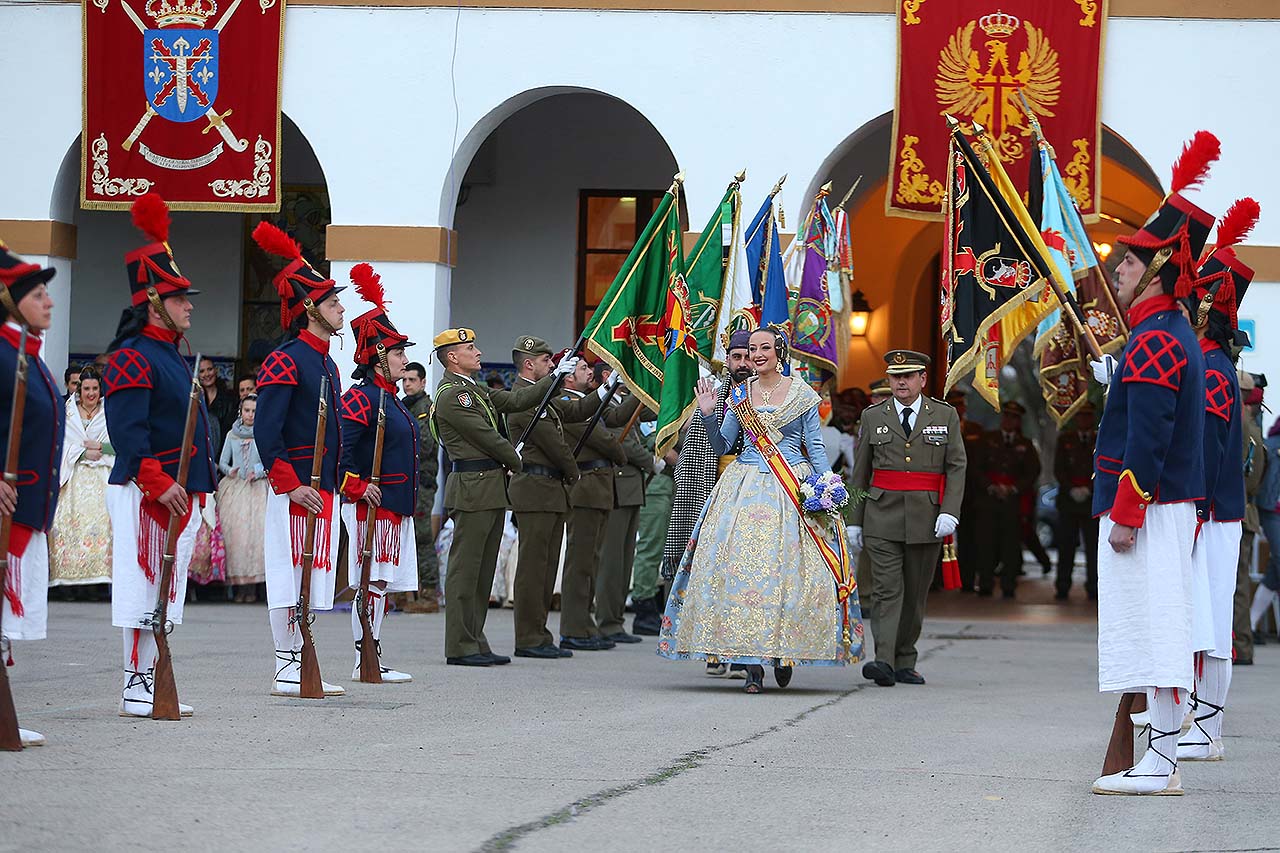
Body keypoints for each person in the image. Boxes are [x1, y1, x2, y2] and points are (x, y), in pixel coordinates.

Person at [1087, 133, 1216, 796]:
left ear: (1161, 270)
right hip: (1165, 505)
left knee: (1157, 628)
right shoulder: (1163, 335)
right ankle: (1157, 757)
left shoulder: (1157, 338)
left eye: (1129, 266)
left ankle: (1160, 762)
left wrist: (1127, 512)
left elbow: (1150, 435)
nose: (1117, 273)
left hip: (1150, 506)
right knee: (1161, 625)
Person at [659, 326, 864, 694]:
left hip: (790, 486)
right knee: (743, 572)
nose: (757, 355)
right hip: (744, 484)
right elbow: (723, 443)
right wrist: (707, 413)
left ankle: (784, 654)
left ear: (779, 351)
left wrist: (829, 486)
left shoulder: (802, 394)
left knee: (787, 573)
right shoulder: (739, 394)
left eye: (764, 348)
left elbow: (814, 447)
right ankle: (751, 665)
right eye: (752, 348)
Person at [102, 193, 216, 718]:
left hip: (177, 489)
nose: (189, 304)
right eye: (178, 297)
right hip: (148, 489)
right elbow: (128, 432)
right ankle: (136, 684)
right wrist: (157, 481)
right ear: (153, 301)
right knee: (142, 586)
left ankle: (151, 676)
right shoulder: (131, 356)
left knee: (165, 591)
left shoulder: (172, 355)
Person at [1176, 199, 1258, 763]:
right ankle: (1202, 724)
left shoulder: (1207, 364)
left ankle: (1204, 728)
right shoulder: (1207, 361)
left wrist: (1195, 509)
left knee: (1202, 615)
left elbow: (1204, 445)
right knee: (1203, 612)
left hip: (1207, 509)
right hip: (1214, 507)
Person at [251, 220, 347, 698]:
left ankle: (302, 659)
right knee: (290, 576)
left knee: (314, 577)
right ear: (309, 309)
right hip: (295, 490)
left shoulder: (327, 361)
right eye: (332, 302)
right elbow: (267, 431)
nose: (341, 308)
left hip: (320, 488)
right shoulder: (285, 359)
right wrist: (290, 484)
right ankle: (287, 665)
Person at [429, 328, 565, 666]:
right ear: (451, 357)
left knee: (483, 571)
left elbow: (518, 401)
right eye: (470, 348)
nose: (477, 352)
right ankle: (460, 644)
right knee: (466, 571)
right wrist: (516, 459)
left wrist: (555, 377)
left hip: (488, 486)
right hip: (473, 486)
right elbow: (486, 436)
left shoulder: (475, 391)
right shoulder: (451, 395)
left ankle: (475, 639)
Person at [849, 350, 965, 687]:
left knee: (915, 593)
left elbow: (956, 466)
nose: (902, 381)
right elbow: (861, 472)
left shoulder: (945, 415)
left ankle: (904, 660)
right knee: (887, 590)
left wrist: (950, 511)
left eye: (909, 376)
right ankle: (883, 660)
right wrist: (855, 519)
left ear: (922, 379)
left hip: (927, 516)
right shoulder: (872, 416)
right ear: (889, 380)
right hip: (881, 516)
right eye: (896, 376)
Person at [505, 336, 615, 659]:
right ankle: (528, 636)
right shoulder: (523, 399)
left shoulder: (546, 398)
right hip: (535, 489)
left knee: (546, 568)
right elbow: (555, 445)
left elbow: (578, 409)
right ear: (529, 364)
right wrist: (575, 473)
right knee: (533, 570)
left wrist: (609, 387)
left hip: (551, 491)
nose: (552, 365)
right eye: (545, 361)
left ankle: (539, 633)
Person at [337, 262, 419, 683]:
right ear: (377, 358)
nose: (405, 359)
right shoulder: (361, 398)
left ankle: (371, 654)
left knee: (381, 584)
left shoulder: (393, 398)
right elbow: (342, 452)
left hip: (394, 505)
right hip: (373, 505)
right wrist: (356, 485)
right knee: (370, 581)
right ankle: (364, 657)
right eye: (398, 352)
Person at [0, 240, 67, 746]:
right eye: (39, 293)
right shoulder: (5, 356)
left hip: (26, 509)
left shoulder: (30, 357)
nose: (48, 301)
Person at [662, 329, 753, 677]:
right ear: (726, 360)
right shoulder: (711, 394)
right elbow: (697, 453)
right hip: (714, 498)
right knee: (714, 576)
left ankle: (746, 651)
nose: (743, 364)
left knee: (746, 577)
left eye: (748, 357)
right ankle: (714, 649)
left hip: (754, 499)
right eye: (736, 357)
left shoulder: (767, 394)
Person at [558, 358, 639, 652]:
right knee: (580, 562)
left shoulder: (585, 401)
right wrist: (621, 454)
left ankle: (585, 624)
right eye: (581, 369)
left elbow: (616, 418)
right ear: (567, 378)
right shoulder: (568, 402)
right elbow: (602, 438)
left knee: (591, 561)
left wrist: (635, 388)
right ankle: (573, 628)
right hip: (586, 487)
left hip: (599, 487)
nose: (587, 372)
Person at [595, 373, 654, 646]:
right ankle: (607, 621)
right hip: (618, 488)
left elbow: (652, 410)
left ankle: (616, 619)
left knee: (624, 559)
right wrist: (654, 463)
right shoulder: (605, 402)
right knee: (612, 561)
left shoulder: (621, 401)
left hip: (631, 489)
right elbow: (626, 444)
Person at [49, 365, 114, 590]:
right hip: (73, 476)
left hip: (102, 474)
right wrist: (83, 453)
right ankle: (70, 585)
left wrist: (102, 447)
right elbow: (61, 443)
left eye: (95, 388)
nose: (91, 393)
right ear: (78, 390)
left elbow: (122, 444)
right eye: (86, 388)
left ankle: (99, 584)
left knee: (106, 521)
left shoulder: (110, 412)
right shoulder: (67, 412)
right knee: (64, 522)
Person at [974, 401, 1039, 598]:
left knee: (1011, 546)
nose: (1009, 420)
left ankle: (1008, 584)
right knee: (986, 544)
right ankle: (985, 583)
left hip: (1012, 501)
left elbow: (1033, 471)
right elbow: (976, 467)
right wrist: (990, 486)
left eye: (1014, 417)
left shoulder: (1025, 444)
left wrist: (1014, 488)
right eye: (1007, 416)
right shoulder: (987, 439)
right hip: (989, 500)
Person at [399, 361, 441, 613]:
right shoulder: (405, 406)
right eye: (404, 380)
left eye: (412, 380)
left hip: (421, 482)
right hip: (406, 481)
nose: (407, 384)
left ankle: (429, 593)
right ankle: (405, 593)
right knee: (405, 537)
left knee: (422, 537)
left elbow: (425, 446)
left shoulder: (425, 409)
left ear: (423, 382)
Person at [217, 394, 267, 602]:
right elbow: (222, 461)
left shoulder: (264, 433)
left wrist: (260, 471)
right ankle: (238, 589)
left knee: (256, 537)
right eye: (247, 410)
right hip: (236, 488)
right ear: (241, 411)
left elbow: (270, 460)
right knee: (236, 536)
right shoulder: (232, 434)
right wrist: (230, 471)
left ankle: (254, 589)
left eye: (254, 411)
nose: (250, 415)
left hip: (257, 489)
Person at [630, 423, 677, 636]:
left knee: (663, 550)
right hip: (656, 487)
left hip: (669, 485)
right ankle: (643, 605)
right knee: (650, 548)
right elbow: (663, 448)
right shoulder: (650, 409)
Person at [1234, 371, 1266, 664]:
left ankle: (1240, 646)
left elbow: (1251, 478)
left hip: (1239, 511)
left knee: (1237, 585)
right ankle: (1240, 645)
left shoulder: (1243, 426)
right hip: (1247, 510)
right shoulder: (1252, 427)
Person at [1053, 403, 1099, 601]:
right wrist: (1071, 488)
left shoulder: (1099, 438)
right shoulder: (1066, 439)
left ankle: (1094, 586)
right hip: (1069, 500)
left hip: (1091, 500)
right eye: (1081, 416)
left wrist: (1090, 488)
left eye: (1088, 416)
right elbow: (1059, 468)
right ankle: (1062, 586)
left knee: (1093, 548)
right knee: (1066, 546)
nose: (1084, 420)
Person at [945, 387, 983, 593]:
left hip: (970, 493)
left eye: (960, 404)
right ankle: (936, 581)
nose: (958, 408)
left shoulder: (975, 429)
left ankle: (968, 580)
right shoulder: (938, 427)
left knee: (969, 540)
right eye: (954, 404)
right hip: (944, 490)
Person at [198, 356, 236, 451]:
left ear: (216, 370)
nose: (206, 374)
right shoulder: (195, 399)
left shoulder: (230, 398)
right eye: (201, 371)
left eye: (209, 369)